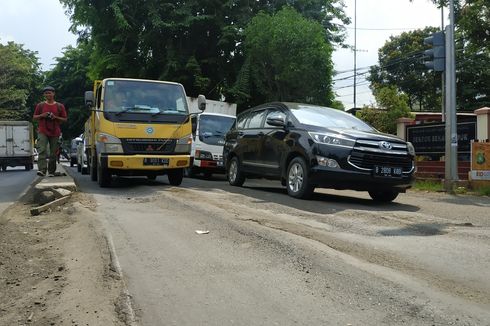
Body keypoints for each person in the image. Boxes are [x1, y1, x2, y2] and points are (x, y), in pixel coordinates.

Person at [33, 86, 67, 177]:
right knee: (42, 150)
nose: (48, 94)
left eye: (50, 93)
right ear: (44, 94)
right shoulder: (40, 105)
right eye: (46, 93)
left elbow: (64, 119)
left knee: (53, 153)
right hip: (42, 130)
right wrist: (42, 115)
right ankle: (42, 170)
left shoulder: (60, 106)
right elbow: (35, 117)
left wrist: (55, 117)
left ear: (53, 93)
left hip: (55, 131)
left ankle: (51, 171)